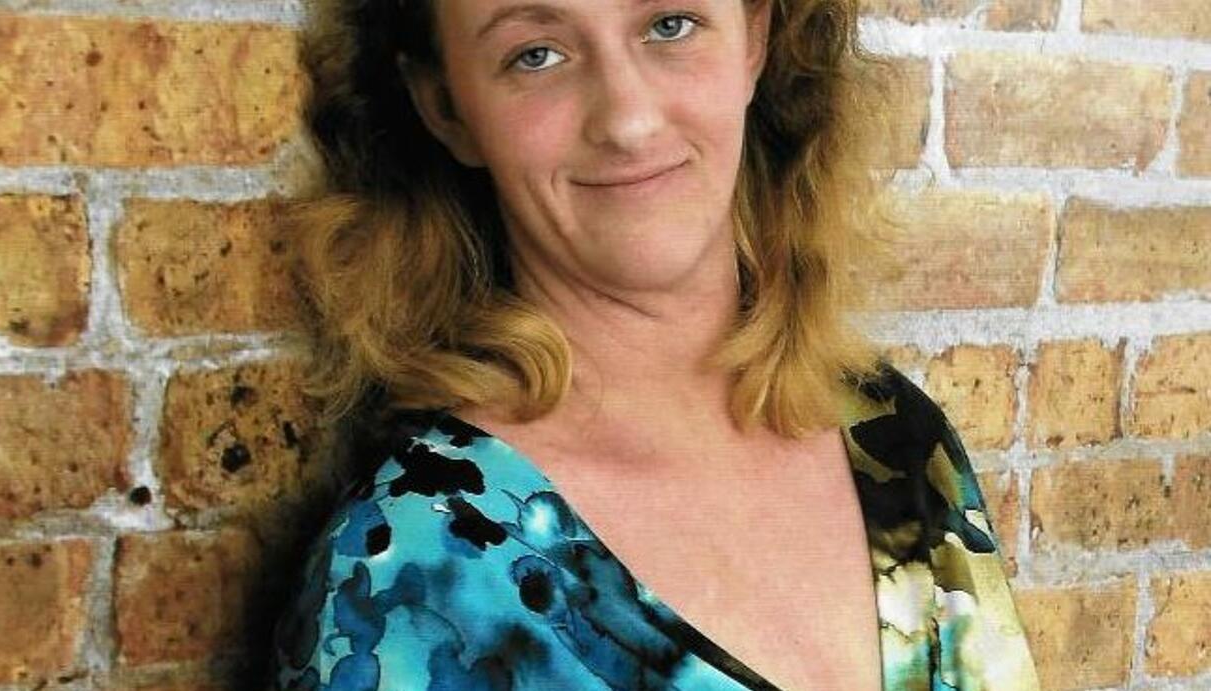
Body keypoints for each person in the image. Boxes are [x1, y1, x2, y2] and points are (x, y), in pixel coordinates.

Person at [270, 0, 1042, 688]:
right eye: (536, 54)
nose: (628, 120)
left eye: (670, 25)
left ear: (755, 36)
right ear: (445, 106)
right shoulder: (406, 574)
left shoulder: (899, 442)